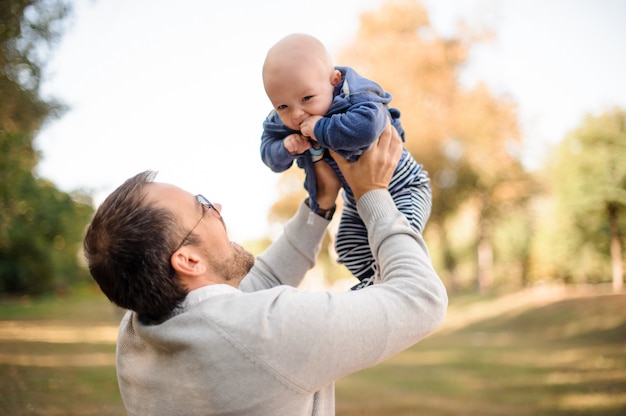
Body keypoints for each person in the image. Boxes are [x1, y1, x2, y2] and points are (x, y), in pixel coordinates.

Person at [83, 122, 447, 416]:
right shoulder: (267, 333)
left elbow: (248, 293)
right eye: (203, 206)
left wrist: (319, 204)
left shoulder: (136, 332)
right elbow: (421, 299)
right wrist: (372, 193)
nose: (218, 207)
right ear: (188, 260)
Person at [260, 33, 432, 289]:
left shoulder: (355, 95)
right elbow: (268, 152)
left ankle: (402, 285)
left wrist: (321, 128)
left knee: (399, 236)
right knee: (347, 246)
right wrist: (285, 147)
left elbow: (366, 128)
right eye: (282, 106)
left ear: (334, 80)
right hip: (356, 198)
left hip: (404, 185)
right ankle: (373, 285)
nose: (296, 114)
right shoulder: (285, 119)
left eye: (307, 99)